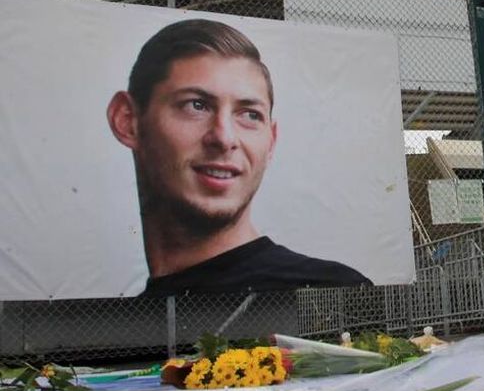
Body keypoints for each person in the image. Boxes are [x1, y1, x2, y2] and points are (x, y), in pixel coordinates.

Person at [107, 18, 371, 296]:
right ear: (127, 120)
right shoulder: (124, 316)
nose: (224, 138)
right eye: (196, 105)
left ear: (271, 141)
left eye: (250, 115)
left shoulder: (329, 292)